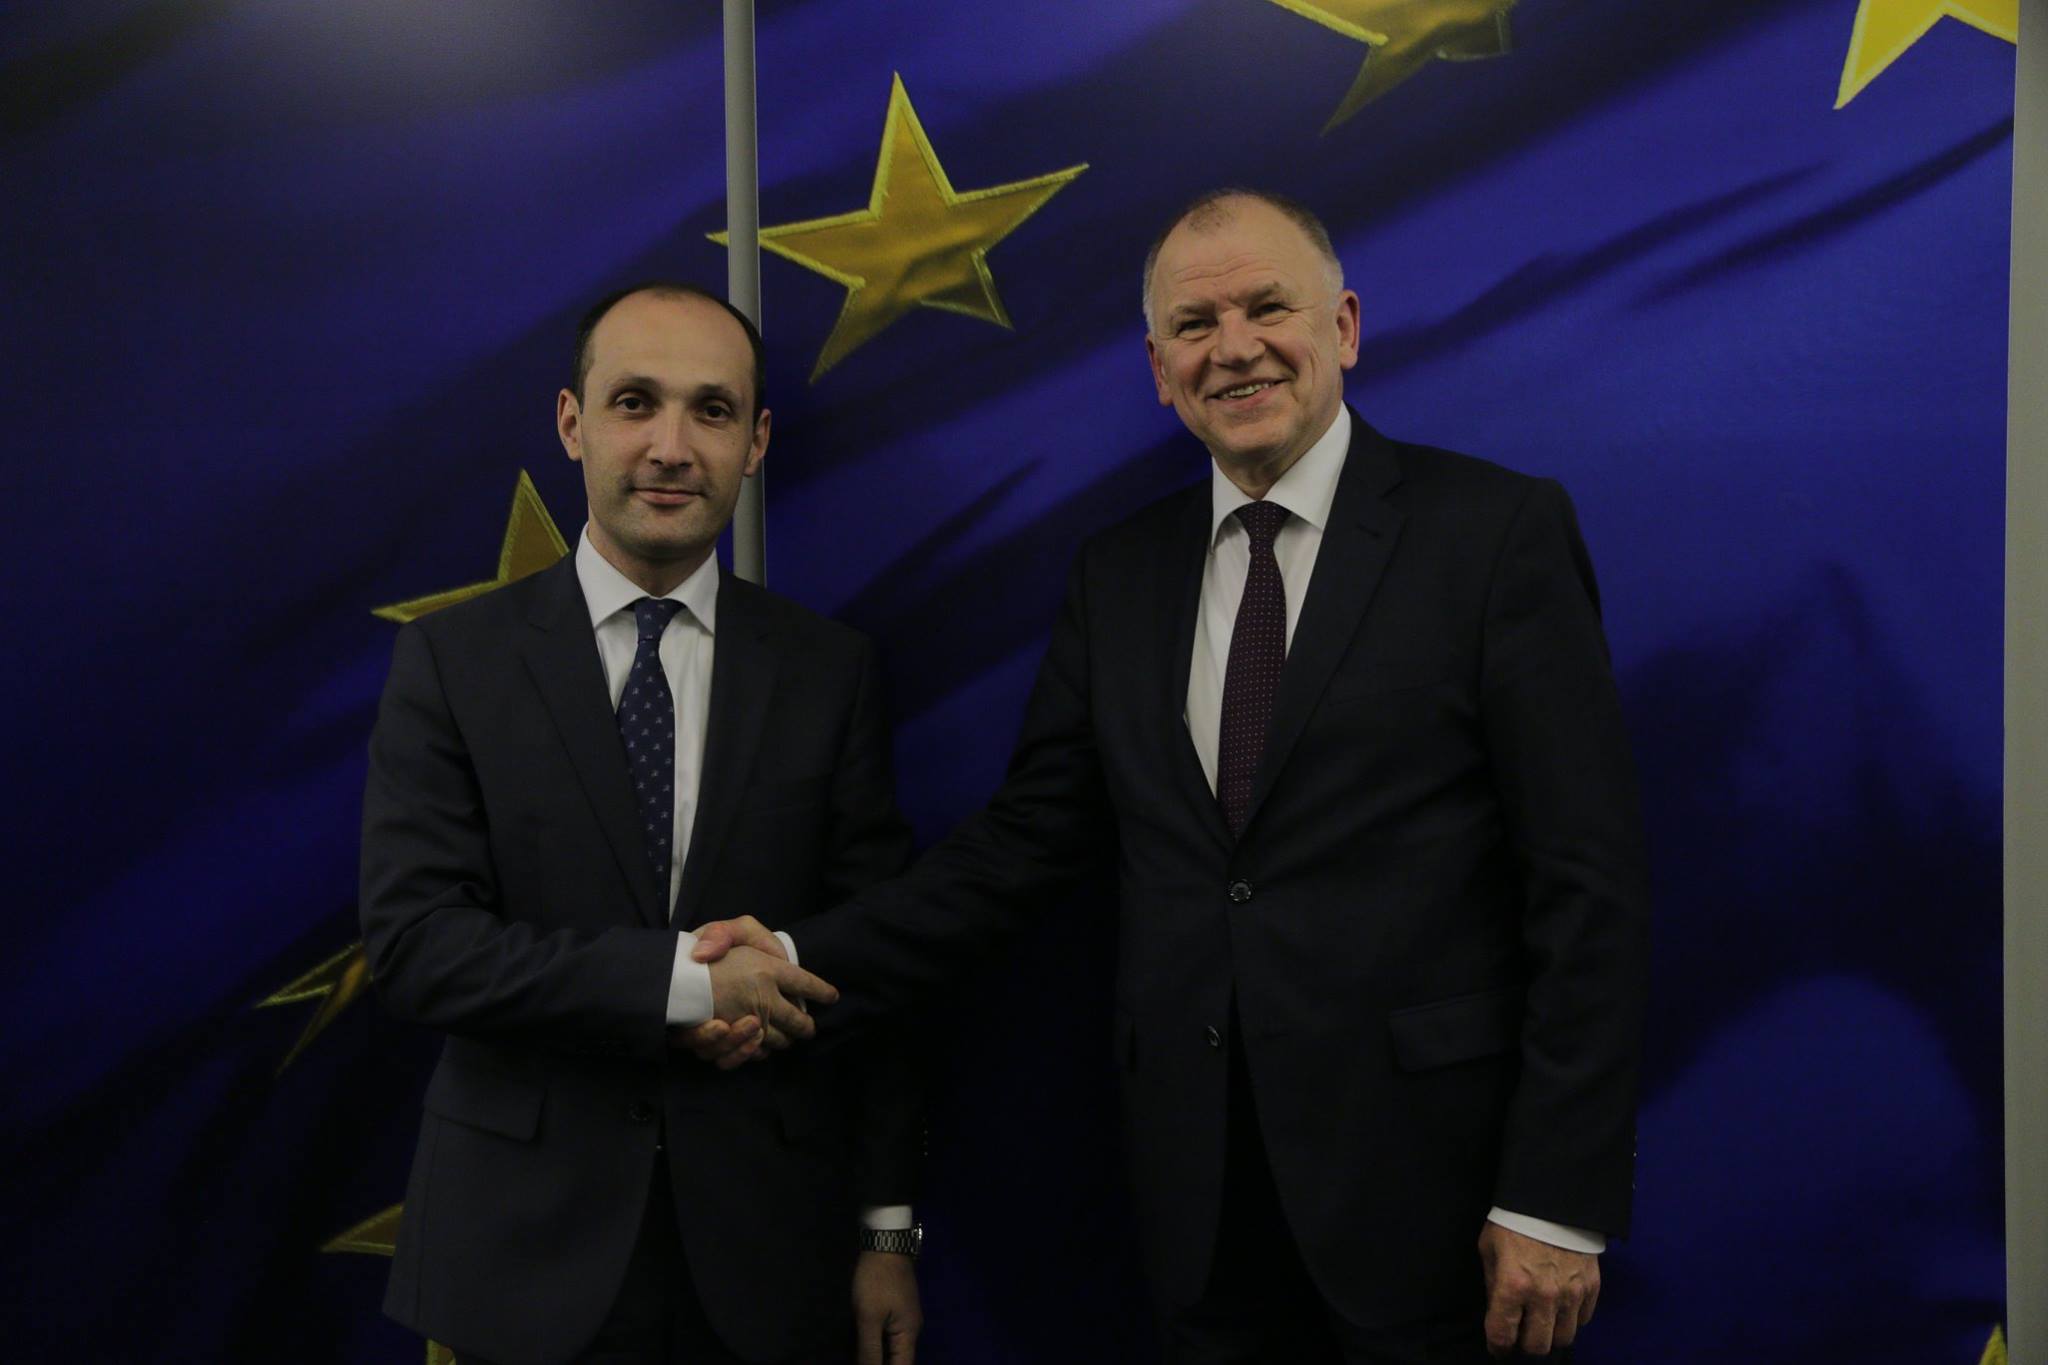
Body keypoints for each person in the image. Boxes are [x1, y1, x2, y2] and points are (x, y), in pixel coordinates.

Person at [696, 190, 1651, 1363]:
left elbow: (1587, 882)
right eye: (1193, 325)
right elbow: (1020, 845)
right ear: (1159, 370)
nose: (1233, 347)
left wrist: (1553, 1197)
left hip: (1439, 1203)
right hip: (1195, 1207)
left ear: (1344, 326)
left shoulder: (1492, 534)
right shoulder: (1119, 575)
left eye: (1266, 308)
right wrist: (798, 955)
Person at [360, 283, 924, 1365]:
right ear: (572, 422)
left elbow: (881, 969)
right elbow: (419, 949)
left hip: (774, 1258)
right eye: (635, 402)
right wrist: (687, 985)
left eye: (712, 410)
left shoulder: (830, 672)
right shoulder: (452, 663)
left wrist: (888, 1229)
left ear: (756, 441)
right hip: (519, 1259)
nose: (671, 447)